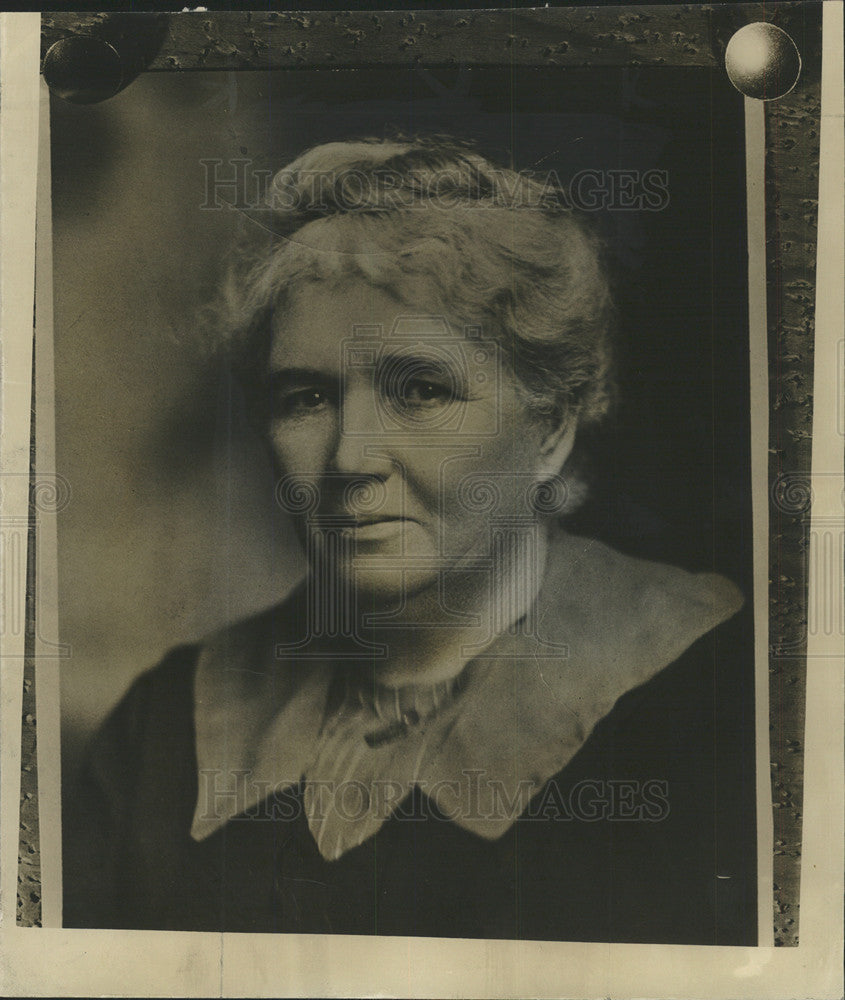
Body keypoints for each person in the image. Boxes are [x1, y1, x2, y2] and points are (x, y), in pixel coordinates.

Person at [63, 135, 757, 943]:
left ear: (550, 431)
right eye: (305, 397)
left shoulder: (709, 700)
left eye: (421, 390)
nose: (351, 458)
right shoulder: (163, 727)